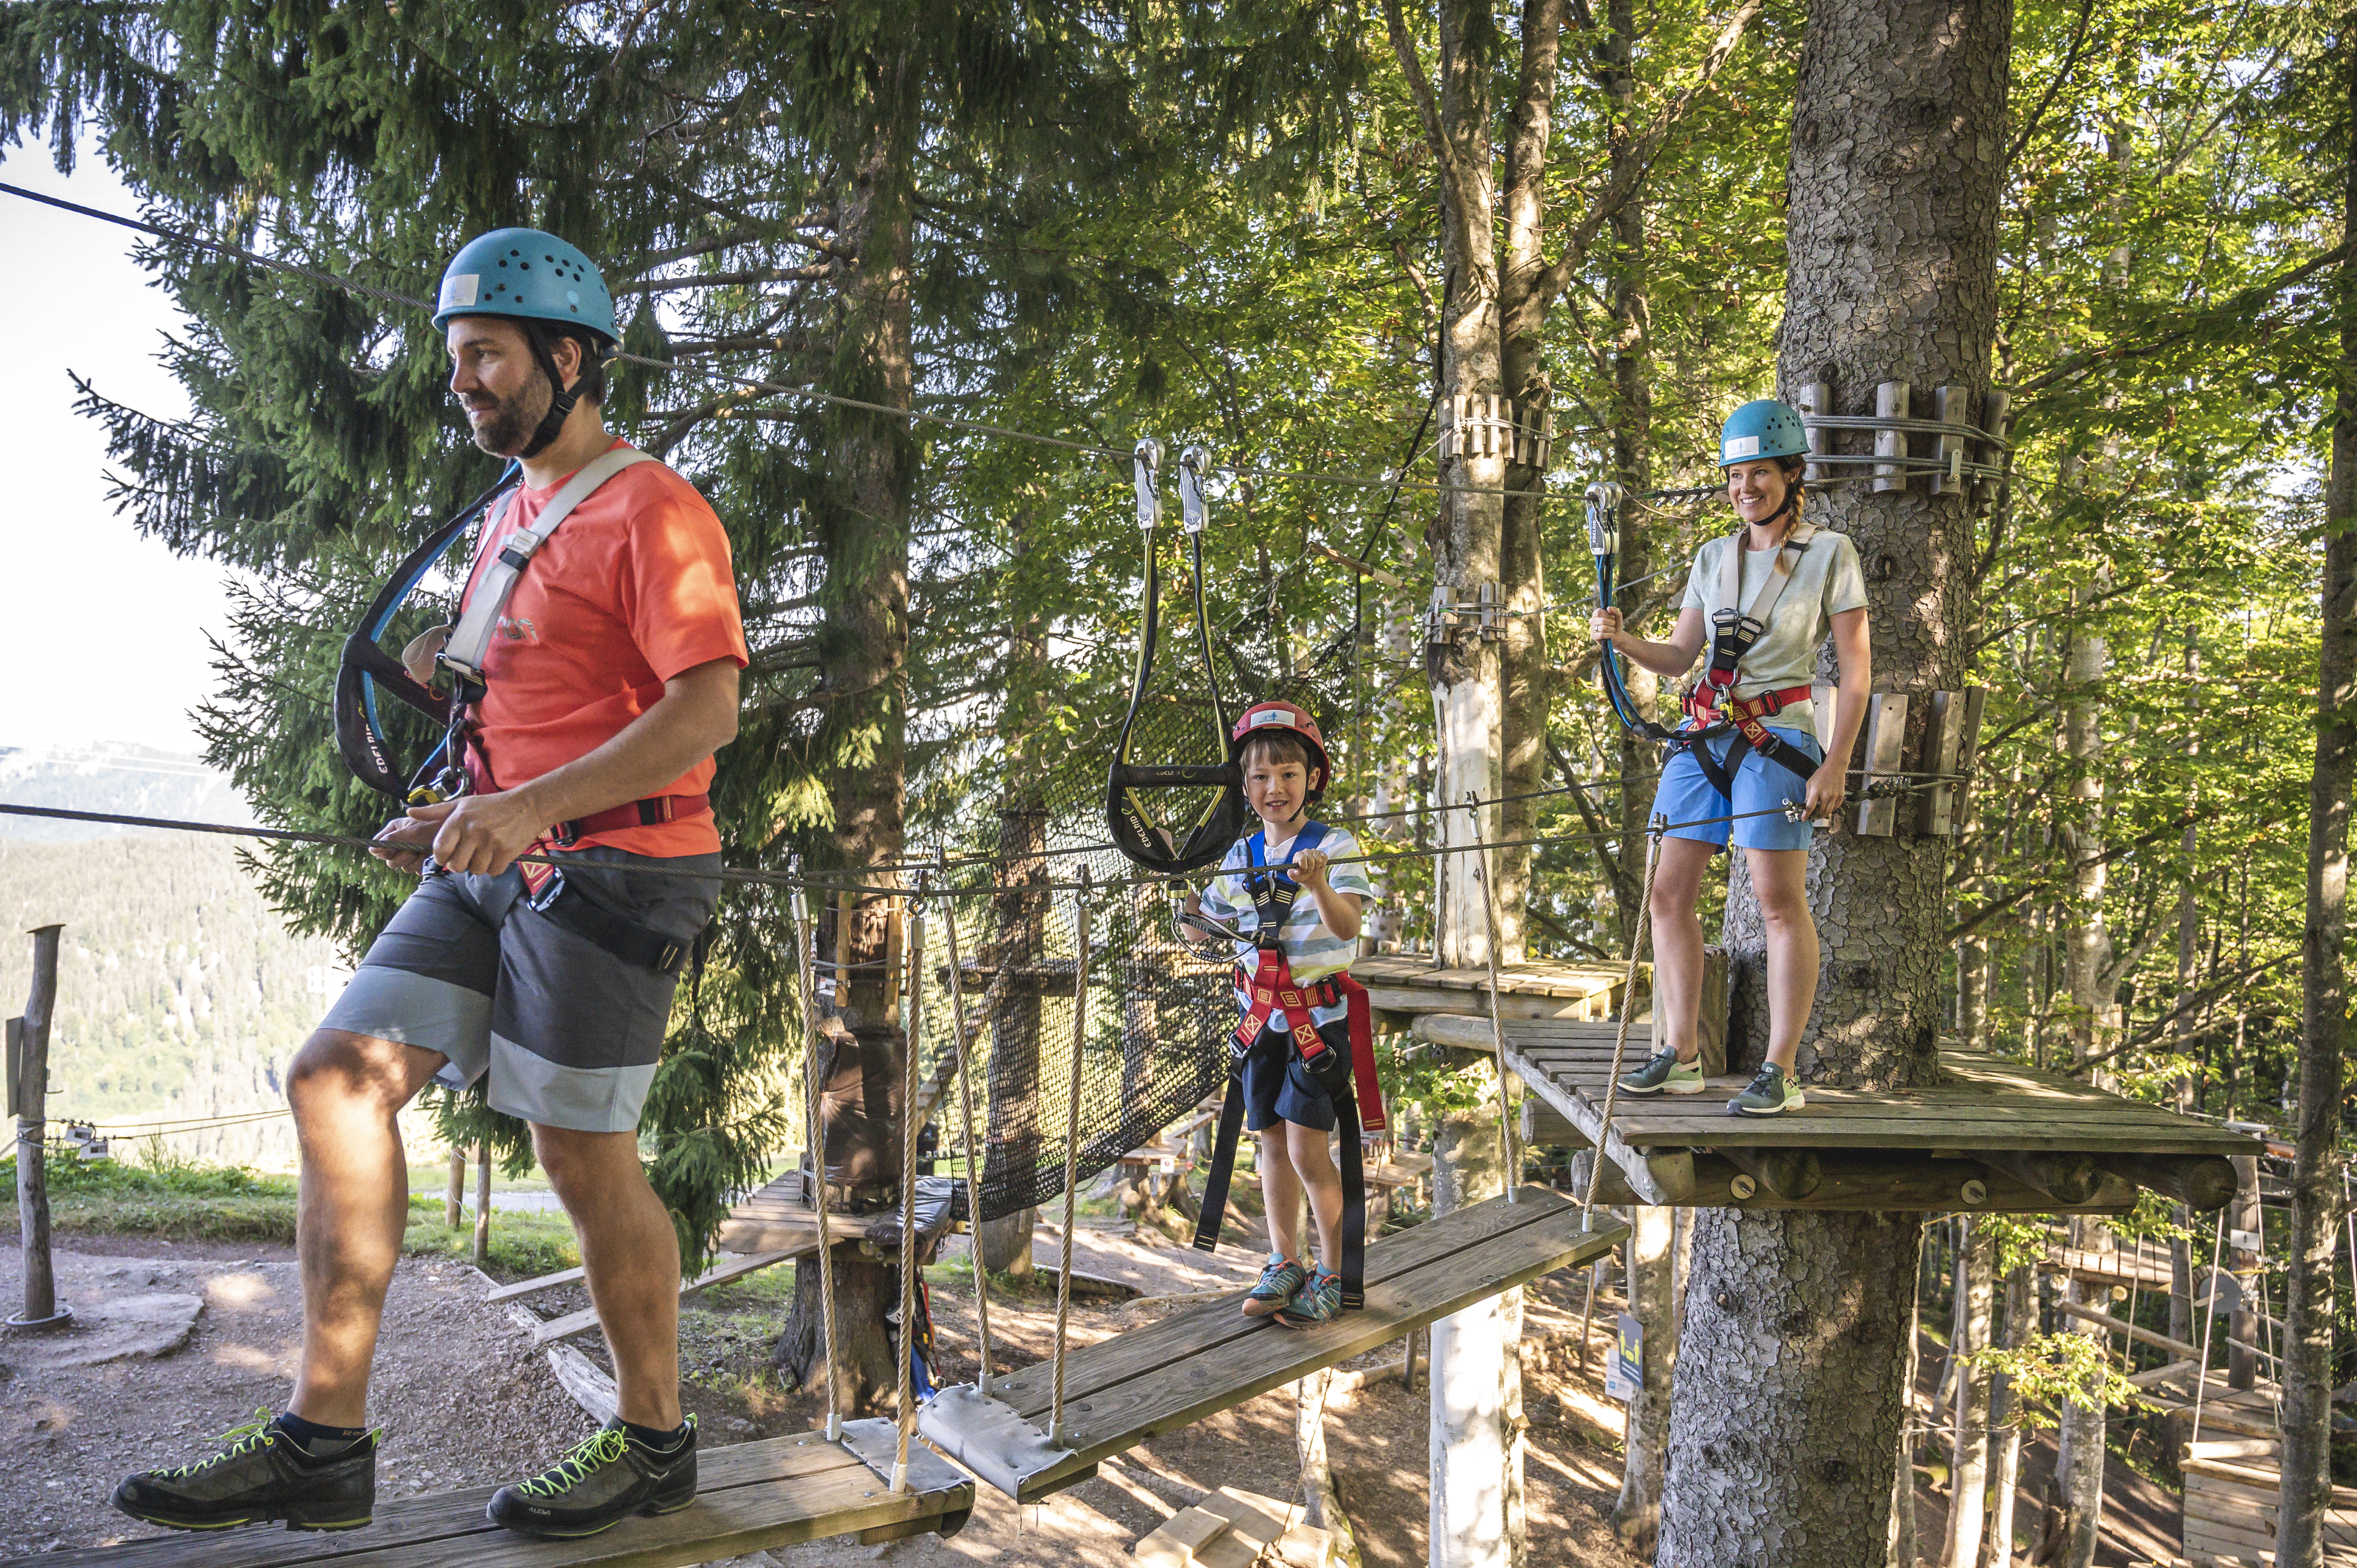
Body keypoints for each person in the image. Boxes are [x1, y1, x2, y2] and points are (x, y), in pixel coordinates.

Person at [113, 229, 749, 1539]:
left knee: (580, 1152)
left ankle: (654, 1440)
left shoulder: (652, 510)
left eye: (485, 359)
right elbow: (531, 703)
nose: (462, 383)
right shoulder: (511, 510)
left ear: (565, 358)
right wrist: (466, 806)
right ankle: (322, 1438)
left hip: (617, 871)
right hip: (502, 852)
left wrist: (523, 809)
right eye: (455, 361)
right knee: (335, 1077)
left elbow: (706, 714)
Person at [1589, 399, 1869, 1116]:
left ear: (1792, 475)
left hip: (1780, 737)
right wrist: (1623, 642)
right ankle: (1680, 1054)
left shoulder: (1830, 554)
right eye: (1737, 475)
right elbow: (1683, 656)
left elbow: (1856, 670)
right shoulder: (1712, 557)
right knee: (1667, 893)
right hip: (1705, 737)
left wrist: (1836, 763)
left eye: (1762, 474)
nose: (1748, 487)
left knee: (1778, 902)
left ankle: (1781, 1070)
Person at [1184, 703, 1378, 1327]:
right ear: (1247, 787)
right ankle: (1283, 1260)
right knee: (1268, 1146)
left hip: (1316, 1027)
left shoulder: (1336, 847)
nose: (1276, 789)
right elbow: (1203, 931)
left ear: (1312, 780)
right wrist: (1188, 912)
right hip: (1260, 1026)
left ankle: (1332, 1269)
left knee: (1307, 1153)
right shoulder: (1241, 856)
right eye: (1262, 778)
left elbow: (1348, 928)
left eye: (1289, 775)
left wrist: (1320, 884)